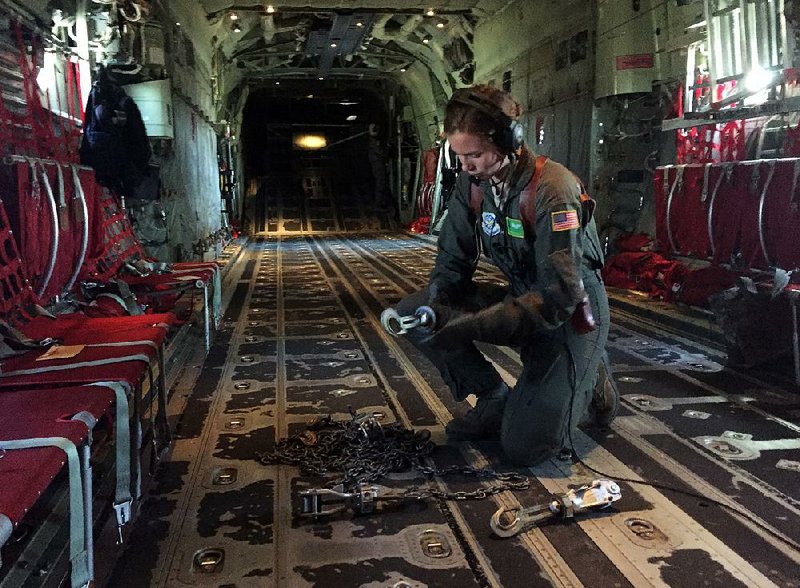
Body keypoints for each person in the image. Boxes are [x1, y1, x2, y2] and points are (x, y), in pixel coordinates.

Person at [395, 84, 618, 466]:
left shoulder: (554, 190)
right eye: (459, 155)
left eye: (476, 154)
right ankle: (493, 397)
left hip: (568, 311)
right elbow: (453, 258)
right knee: (413, 313)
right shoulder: (474, 183)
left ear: (510, 141)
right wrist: (440, 307)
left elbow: (557, 297)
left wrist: (472, 326)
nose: (466, 166)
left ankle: (591, 372)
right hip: (523, 297)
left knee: (524, 447)